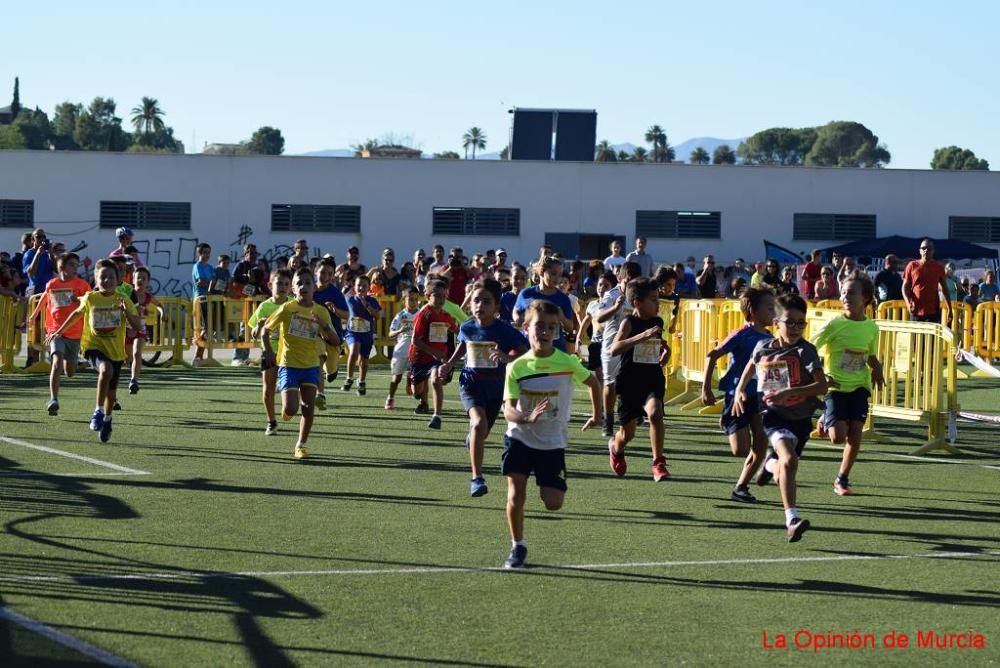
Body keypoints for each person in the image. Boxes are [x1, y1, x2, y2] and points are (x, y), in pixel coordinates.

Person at [500, 300, 602, 569]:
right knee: (515, 494)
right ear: (526, 328)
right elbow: (508, 410)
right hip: (519, 437)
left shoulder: (566, 361)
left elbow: (593, 382)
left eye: (551, 328)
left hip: (552, 442)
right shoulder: (517, 367)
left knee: (553, 502)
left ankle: (545, 486)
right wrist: (525, 417)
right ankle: (517, 546)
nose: (544, 332)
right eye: (539, 326)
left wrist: (598, 414)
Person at [732, 294, 830, 542]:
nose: (796, 328)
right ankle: (792, 519)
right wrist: (740, 391)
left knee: (783, 466)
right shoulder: (763, 347)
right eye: (790, 322)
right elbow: (751, 366)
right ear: (776, 322)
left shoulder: (805, 351)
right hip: (772, 415)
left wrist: (793, 391)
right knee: (788, 460)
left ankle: (767, 465)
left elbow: (821, 387)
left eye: (801, 323)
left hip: (800, 418)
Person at [441, 278, 528, 497]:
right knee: (479, 423)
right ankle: (476, 478)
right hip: (470, 384)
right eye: (476, 300)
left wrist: (506, 358)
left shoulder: (505, 330)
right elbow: (463, 345)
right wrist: (450, 364)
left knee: (481, 432)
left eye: (486, 301)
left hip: (496, 389)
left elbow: (525, 350)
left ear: (497, 307)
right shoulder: (467, 326)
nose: (480, 305)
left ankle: (473, 439)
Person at [45, 259, 142, 443]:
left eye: (110, 277)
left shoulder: (123, 300)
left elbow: (137, 325)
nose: (106, 280)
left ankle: (107, 419)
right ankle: (97, 411)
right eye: (102, 277)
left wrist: (126, 312)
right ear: (96, 280)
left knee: (111, 394)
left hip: (115, 351)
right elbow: (76, 314)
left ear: (117, 279)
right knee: (106, 370)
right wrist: (58, 331)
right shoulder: (91, 298)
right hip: (92, 346)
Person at [701, 288, 776, 503]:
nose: (773, 312)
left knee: (761, 441)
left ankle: (741, 487)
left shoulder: (771, 338)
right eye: (769, 307)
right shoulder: (742, 334)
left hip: (760, 398)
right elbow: (712, 355)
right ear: (752, 310)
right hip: (737, 397)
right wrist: (706, 387)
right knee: (740, 449)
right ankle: (728, 422)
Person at [813, 273, 885, 497]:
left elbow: (871, 354)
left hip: (860, 386)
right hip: (835, 385)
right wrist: (819, 375)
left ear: (865, 298)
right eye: (843, 292)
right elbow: (811, 348)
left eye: (851, 292)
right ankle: (826, 418)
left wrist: (877, 368)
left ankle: (842, 479)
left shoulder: (872, 328)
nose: (845, 296)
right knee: (838, 438)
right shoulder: (834, 324)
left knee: (855, 435)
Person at [261, 268, 341, 459]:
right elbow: (265, 330)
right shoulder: (287, 309)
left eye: (307, 282)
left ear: (314, 287)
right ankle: (286, 411)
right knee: (291, 408)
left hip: (312, 366)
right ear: (293, 290)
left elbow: (335, 340)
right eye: (299, 283)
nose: (303, 286)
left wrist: (323, 324)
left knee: (308, 406)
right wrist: (268, 351)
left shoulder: (320, 311)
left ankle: (301, 445)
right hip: (289, 364)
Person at [607, 278, 672, 481]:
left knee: (655, 413)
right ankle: (616, 448)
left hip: (652, 378)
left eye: (658, 299)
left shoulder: (658, 321)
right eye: (653, 300)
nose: (658, 303)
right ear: (637, 302)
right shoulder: (629, 322)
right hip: (629, 381)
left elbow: (657, 342)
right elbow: (614, 349)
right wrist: (641, 336)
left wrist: (665, 350)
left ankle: (658, 462)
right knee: (628, 434)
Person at [32, 252, 90, 416]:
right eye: (72, 265)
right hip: (55, 331)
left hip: (75, 332)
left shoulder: (82, 284)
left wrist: (77, 301)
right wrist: (34, 315)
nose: (75, 268)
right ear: (62, 267)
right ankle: (53, 399)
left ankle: (70, 364)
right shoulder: (52, 284)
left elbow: (89, 302)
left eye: (77, 265)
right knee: (56, 362)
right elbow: (45, 297)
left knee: (70, 371)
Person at [594, 262, 643, 437]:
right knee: (610, 384)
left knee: (633, 381)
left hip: (631, 345)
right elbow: (599, 318)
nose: (630, 284)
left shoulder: (638, 296)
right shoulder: (611, 295)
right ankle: (608, 419)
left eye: (634, 280)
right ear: (619, 278)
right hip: (610, 346)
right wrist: (615, 307)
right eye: (628, 280)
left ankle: (632, 411)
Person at [408, 279, 458, 426]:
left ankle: (437, 416)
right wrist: (433, 351)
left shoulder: (445, 315)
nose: (441, 300)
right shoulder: (424, 314)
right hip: (419, 357)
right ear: (427, 296)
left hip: (437, 357)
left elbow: (455, 329)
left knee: (435, 380)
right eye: (437, 296)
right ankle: (420, 395)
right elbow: (415, 340)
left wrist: (463, 333)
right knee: (417, 391)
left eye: (444, 296)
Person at [248, 269, 292, 435]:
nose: (283, 287)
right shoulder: (265, 306)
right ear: (270, 285)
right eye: (279, 283)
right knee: (268, 389)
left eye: (286, 284)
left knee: (292, 387)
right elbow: (252, 332)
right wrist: (258, 326)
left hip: (290, 352)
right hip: (269, 351)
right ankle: (271, 421)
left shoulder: (293, 304)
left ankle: (289, 407)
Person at [512, 256, 577, 352]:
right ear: (542, 272)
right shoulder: (527, 293)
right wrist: (519, 318)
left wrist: (561, 317)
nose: (557, 278)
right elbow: (515, 312)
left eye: (560, 275)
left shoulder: (563, 298)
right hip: (530, 348)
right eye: (553, 274)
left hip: (555, 349)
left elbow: (570, 327)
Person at [342, 275, 381, 396]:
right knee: (354, 351)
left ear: (369, 287)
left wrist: (366, 303)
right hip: (352, 332)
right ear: (354, 287)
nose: (361, 288)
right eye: (359, 285)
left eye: (364, 286)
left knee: (364, 360)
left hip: (366, 334)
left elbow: (377, 316)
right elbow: (342, 311)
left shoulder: (372, 301)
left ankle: (362, 381)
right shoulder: (349, 299)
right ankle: (349, 378)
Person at [125, 267, 162, 396]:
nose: (140, 280)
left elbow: (159, 305)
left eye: (144, 278)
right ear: (133, 280)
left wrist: (163, 314)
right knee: (128, 357)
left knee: (137, 353)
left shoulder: (148, 296)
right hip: (127, 329)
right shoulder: (128, 294)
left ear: (148, 281)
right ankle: (131, 371)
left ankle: (134, 381)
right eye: (138, 277)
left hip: (140, 329)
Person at [576, 271, 616, 387]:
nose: (602, 288)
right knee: (599, 374)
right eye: (600, 285)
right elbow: (587, 320)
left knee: (608, 375)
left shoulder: (614, 305)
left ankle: (607, 397)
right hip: (596, 344)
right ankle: (601, 400)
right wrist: (579, 336)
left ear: (613, 289)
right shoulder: (592, 305)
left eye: (606, 285)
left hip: (609, 344)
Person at [313, 259, 349, 384]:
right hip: (314, 333)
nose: (326, 277)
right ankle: (317, 388)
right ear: (316, 272)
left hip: (332, 335)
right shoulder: (309, 289)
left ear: (333, 276)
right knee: (318, 353)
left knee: (330, 368)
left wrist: (335, 310)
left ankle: (332, 370)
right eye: (323, 272)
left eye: (330, 274)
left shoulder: (335, 294)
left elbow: (347, 315)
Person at [385, 287, 421, 410]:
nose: (414, 302)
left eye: (416, 299)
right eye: (411, 299)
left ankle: (423, 402)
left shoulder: (421, 314)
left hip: (418, 350)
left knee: (420, 377)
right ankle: (390, 397)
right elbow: (390, 333)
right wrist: (400, 330)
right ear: (404, 300)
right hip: (401, 350)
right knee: (396, 378)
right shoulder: (401, 315)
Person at [902, 238, 951, 323]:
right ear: (919, 251)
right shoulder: (912, 265)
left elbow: (944, 288)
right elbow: (905, 287)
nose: (926, 250)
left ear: (933, 251)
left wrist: (949, 308)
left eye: (929, 248)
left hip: (932, 311)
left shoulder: (938, 267)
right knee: (915, 336)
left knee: (931, 336)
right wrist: (908, 303)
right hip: (915, 310)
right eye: (923, 248)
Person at [191, 242, 214, 366]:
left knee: (210, 328)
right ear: (199, 253)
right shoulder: (198, 266)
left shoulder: (210, 267)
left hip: (210, 300)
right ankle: (196, 356)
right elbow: (202, 282)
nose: (207, 255)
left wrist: (212, 284)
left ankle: (199, 357)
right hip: (201, 300)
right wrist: (210, 283)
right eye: (204, 252)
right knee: (206, 328)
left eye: (208, 252)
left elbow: (214, 282)